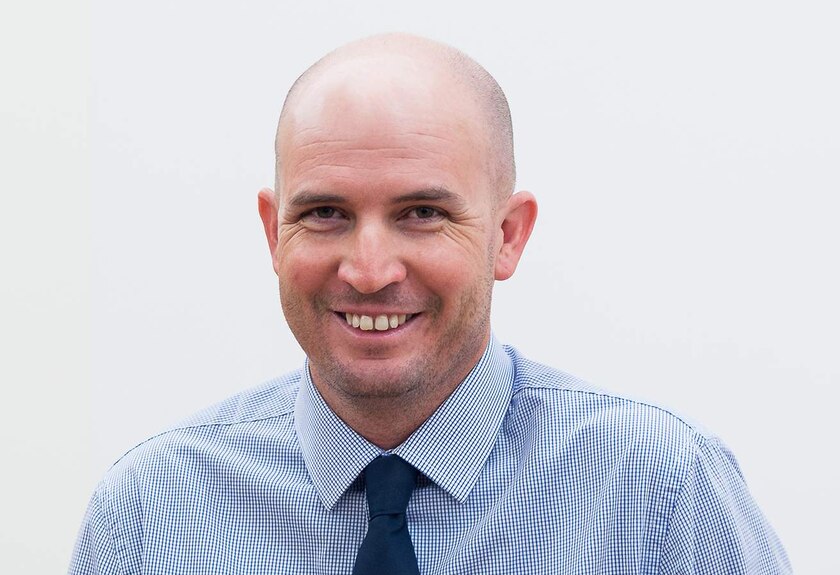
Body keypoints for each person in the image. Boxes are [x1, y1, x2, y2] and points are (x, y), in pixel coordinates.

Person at [70, 34, 792, 574]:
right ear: (272, 230)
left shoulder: (658, 495)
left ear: (507, 236)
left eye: (421, 212)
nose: (370, 269)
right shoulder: (150, 516)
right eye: (324, 212)